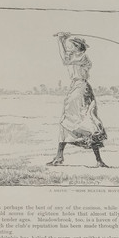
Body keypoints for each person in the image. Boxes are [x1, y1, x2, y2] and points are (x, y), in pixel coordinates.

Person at [47, 32, 108, 168]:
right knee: (66, 121)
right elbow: (66, 57)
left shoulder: (83, 57)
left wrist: (59, 40)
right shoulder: (74, 56)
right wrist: (62, 40)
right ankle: (59, 156)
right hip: (74, 89)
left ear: (78, 46)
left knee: (87, 122)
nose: (69, 47)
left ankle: (99, 160)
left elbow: (65, 59)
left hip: (81, 90)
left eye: (72, 45)